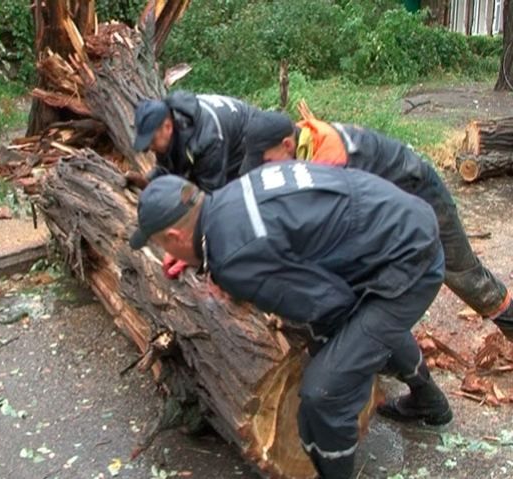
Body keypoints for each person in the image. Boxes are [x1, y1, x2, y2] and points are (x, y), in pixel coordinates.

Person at [129, 163, 452, 479]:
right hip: (402, 225)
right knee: (364, 334)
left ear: (174, 235)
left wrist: (332, 361)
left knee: (322, 394)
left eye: (161, 243)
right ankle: (429, 403)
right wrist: (211, 259)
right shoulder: (227, 196)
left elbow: (330, 307)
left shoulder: (233, 257)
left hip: (408, 266)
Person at [241, 108, 513, 341]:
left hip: (419, 191)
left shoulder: (331, 160)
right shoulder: (303, 138)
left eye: (265, 161)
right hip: (386, 202)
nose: (264, 170)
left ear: (287, 145)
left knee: (465, 277)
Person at [130, 91, 278, 279]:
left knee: (239, 210)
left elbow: (210, 200)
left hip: (249, 150)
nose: (148, 148)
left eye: (150, 141)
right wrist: (149, 181)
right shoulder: (171, 126)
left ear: (167, 126)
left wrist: (188, 251)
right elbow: (168, 167)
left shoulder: (207, 138)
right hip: (222, 148)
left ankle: (254, 267)